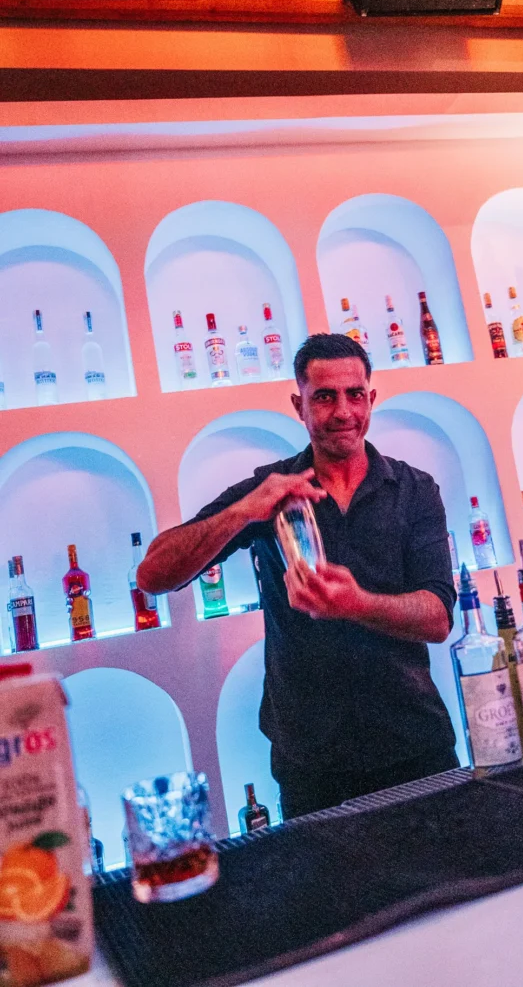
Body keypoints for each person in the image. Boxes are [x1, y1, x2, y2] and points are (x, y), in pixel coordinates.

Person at [138, 333, 459, 819]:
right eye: (324, 397)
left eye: (355, 395)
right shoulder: (273, 489)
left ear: (371, 399)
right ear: (299, 406)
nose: (343, 411)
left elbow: (437, 618)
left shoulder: (414, 489)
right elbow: (154, 574)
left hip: (414, 742)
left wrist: (356, 603)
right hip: (311, 759)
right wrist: (244, 511)